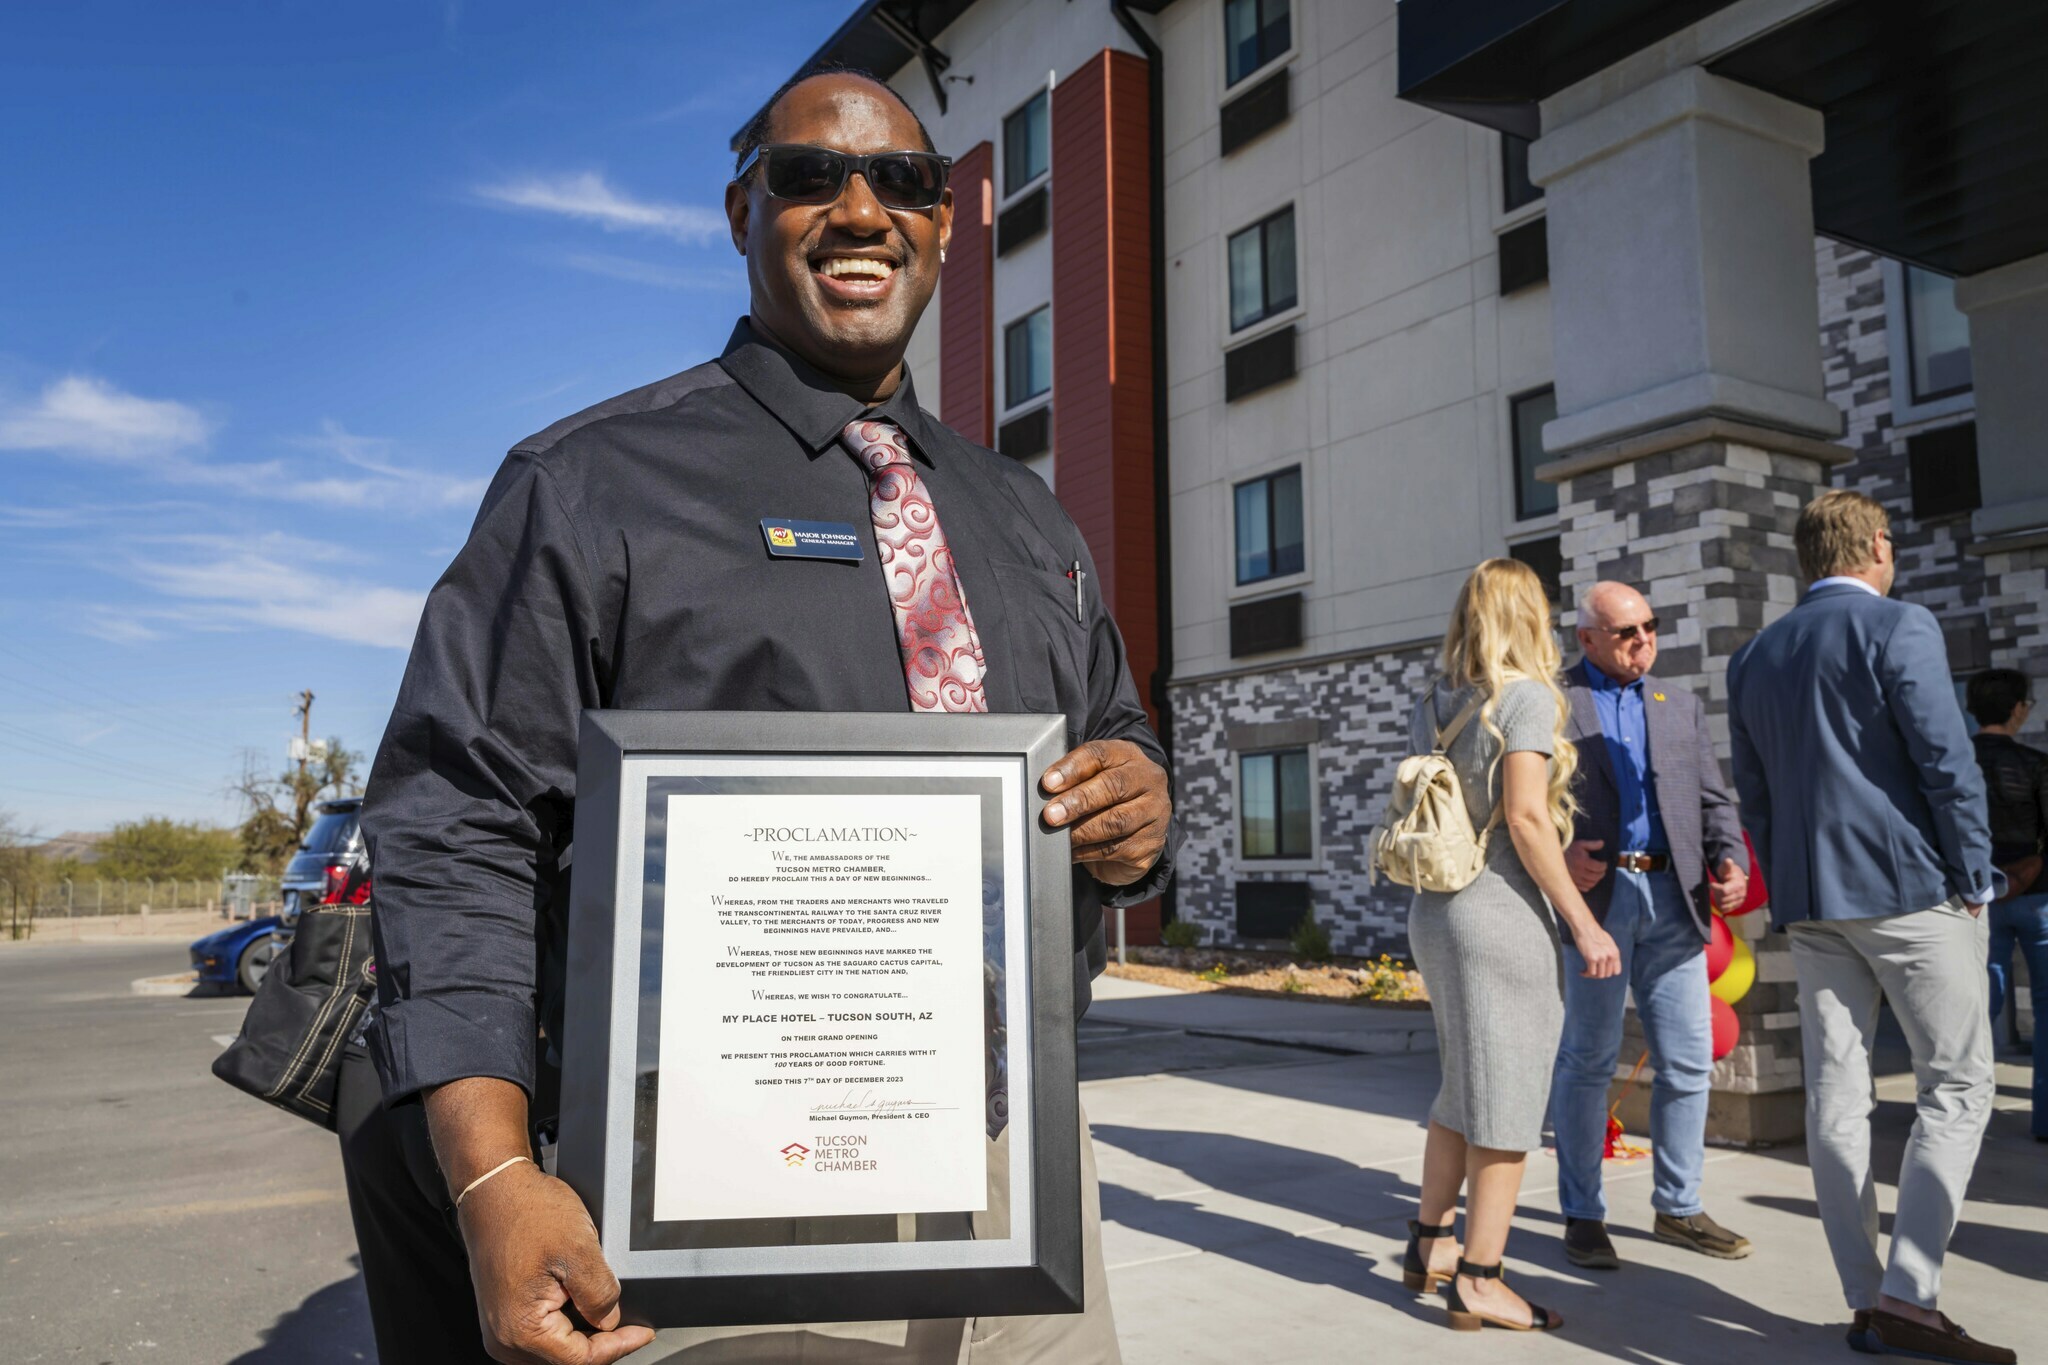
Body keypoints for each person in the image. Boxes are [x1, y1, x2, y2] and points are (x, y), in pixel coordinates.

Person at [341, 65, 1179, 1365]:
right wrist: (494, 1178)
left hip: (1020, 1176)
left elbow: (1121, 733)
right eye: (810, 176)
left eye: (900, 181)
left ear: (945, 222)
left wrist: (1138, 798)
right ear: (743, 212)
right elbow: (459, 826)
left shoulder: (1027, 520)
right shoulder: (588, 488)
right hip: (716, 1186)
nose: (859, 209)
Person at [1727, 490, 2011, 1365]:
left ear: (1807, 560)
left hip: (1814, 905)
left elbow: (1757, 796)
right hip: (1912, 893)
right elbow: (1946, 762)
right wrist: (1974, 875)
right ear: (1879, 545)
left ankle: (1864, 1298)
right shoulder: (1900, 626)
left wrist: (1793, 890)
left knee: (1838, 1099)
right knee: (1958, 1088)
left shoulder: (1752, 656)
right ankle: (1909, 1295)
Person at [1401, 558, 1622, 1334]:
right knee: (1506, 1103)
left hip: (1435, 912)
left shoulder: (1435, 700)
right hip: (1498, 919)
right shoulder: (1524, 699)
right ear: (1529, 617)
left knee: (1462, 1087)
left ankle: (1428, 1244)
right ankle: (1481, 1277)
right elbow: (1527, 818)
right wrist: (1584, 921)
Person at [1549, 581, 1752, 1270]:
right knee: (1588, 1060)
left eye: (1650, 626)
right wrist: (1559, 847)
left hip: (1675, 895)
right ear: (1587, 639)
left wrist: (1728, 858)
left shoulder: (1678, 703)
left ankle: (1680, 1206)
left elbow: (1713, 796)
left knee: (1690, 1061)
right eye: (1627, 631)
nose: (1644, 640)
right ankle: (1582, 1213)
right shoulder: (1550, 702)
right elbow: (1520, 802)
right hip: (1597, 901)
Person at [1967, 668, 2047, 1141]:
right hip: (2038, 898)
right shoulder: (2037, 765)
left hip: (1977, 901)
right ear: (2017, 709)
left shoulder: (1954, 764)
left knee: (1975, 1008)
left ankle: (1962, 1115)